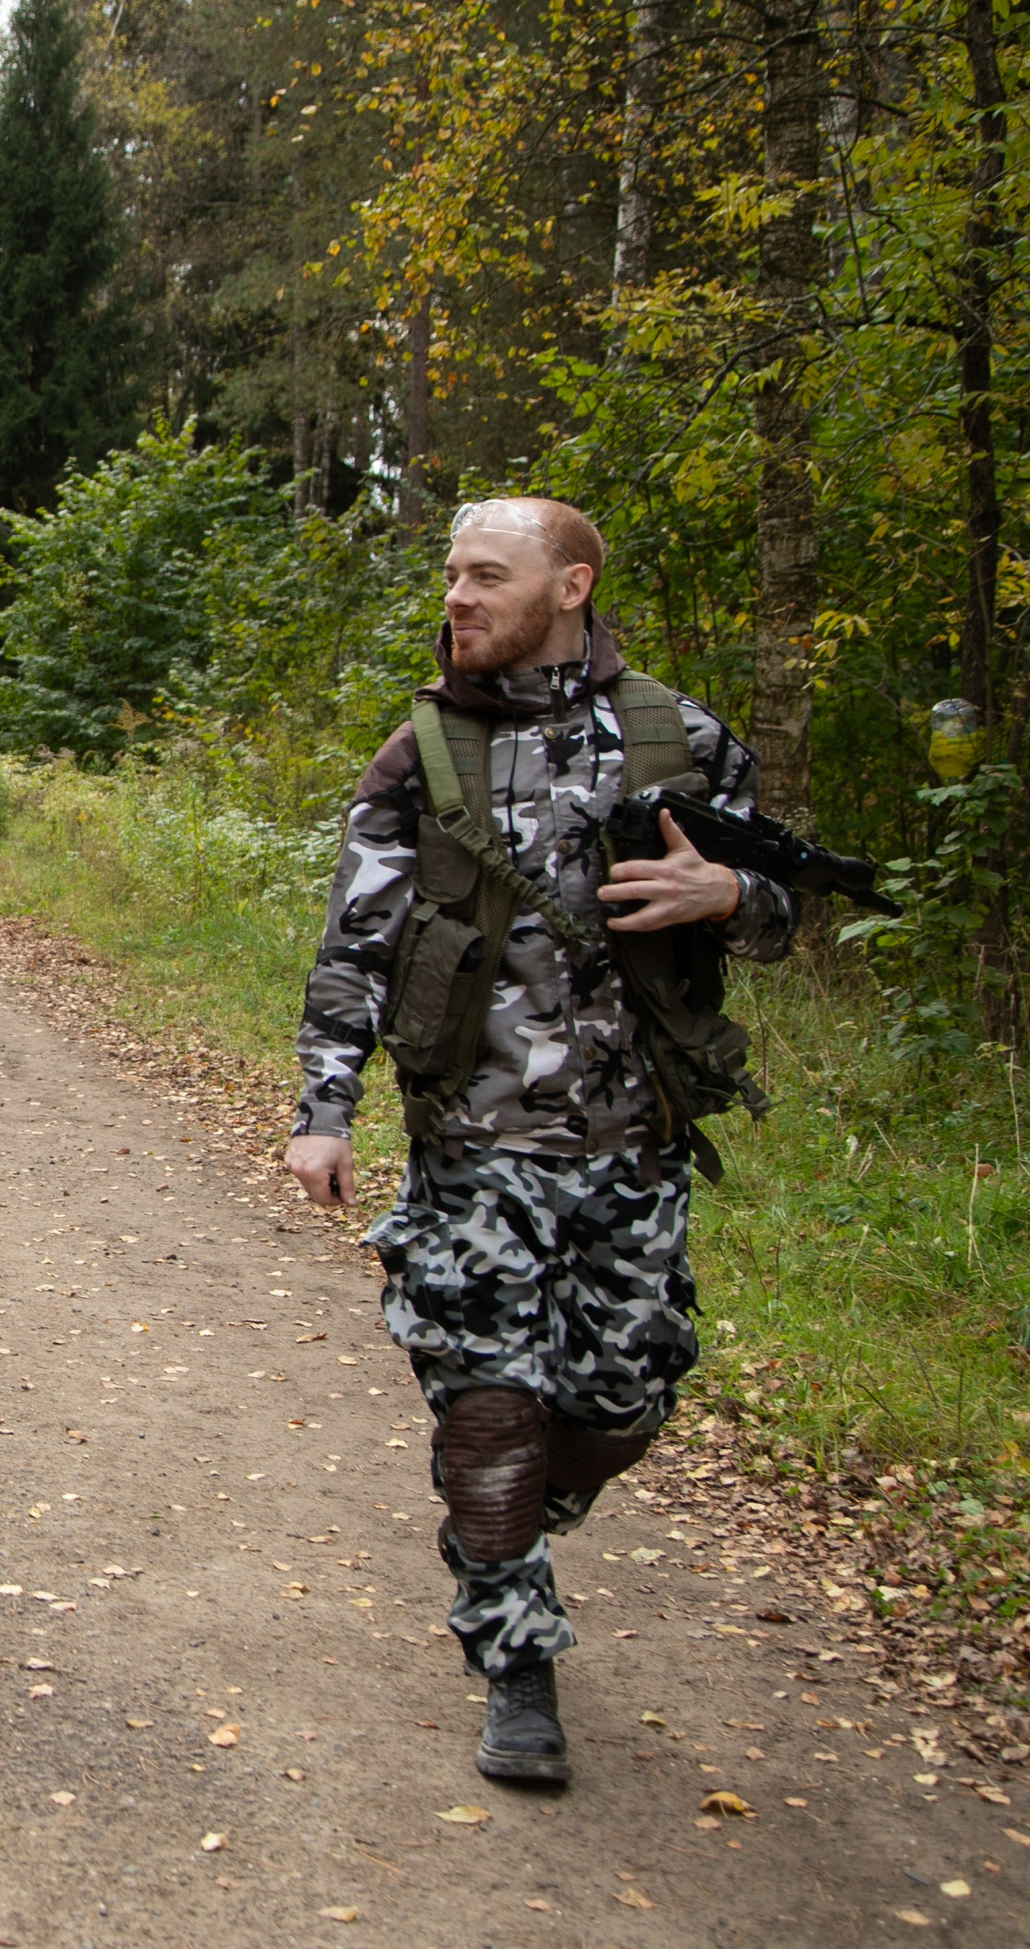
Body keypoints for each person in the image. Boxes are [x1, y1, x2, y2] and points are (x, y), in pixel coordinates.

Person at [284, 497, 798, 1784]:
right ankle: (515, 1657)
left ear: (569, 586)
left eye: (486, 576)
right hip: (474, 1145)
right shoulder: (421, 753)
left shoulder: (680, 740)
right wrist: (323, 1108)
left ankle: (503, 1502)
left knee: (621, 1399)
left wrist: (727, 892)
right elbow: (354, 943)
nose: (456, 596)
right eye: (451, 574)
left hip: (636, 1147)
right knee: (489, 1400)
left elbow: (787, 907)